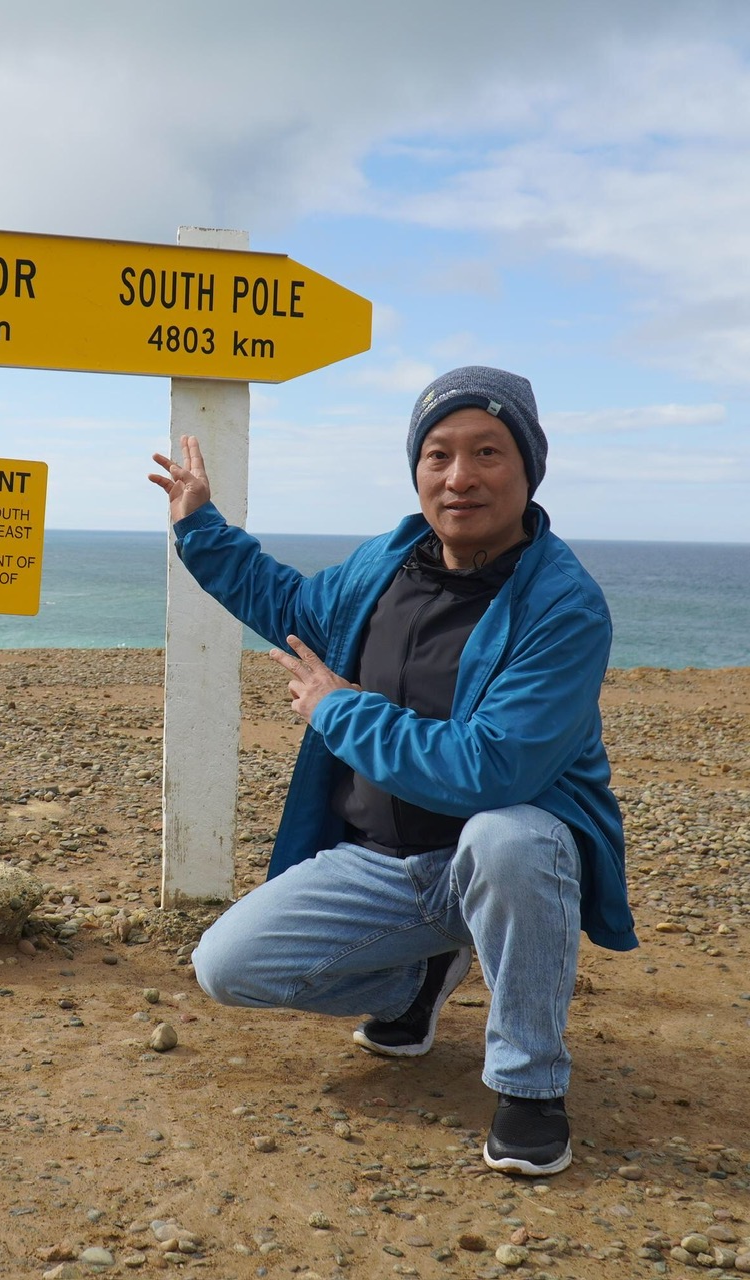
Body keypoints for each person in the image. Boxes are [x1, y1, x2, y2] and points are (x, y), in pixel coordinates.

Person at [148, 365, 636, 1177]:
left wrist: (338, 708)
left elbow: (493, 769)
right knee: (225, 967)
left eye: (488, 452)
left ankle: (530, 1089)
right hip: (381, 860)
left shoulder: (564, 605)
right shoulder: (388, 561)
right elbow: (296, 608)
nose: (460, 476)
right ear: (416, 469)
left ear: (528, 469)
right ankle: (415, 976)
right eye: (438, 454)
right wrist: (202, 527)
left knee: (507, 838)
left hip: (503, 857)